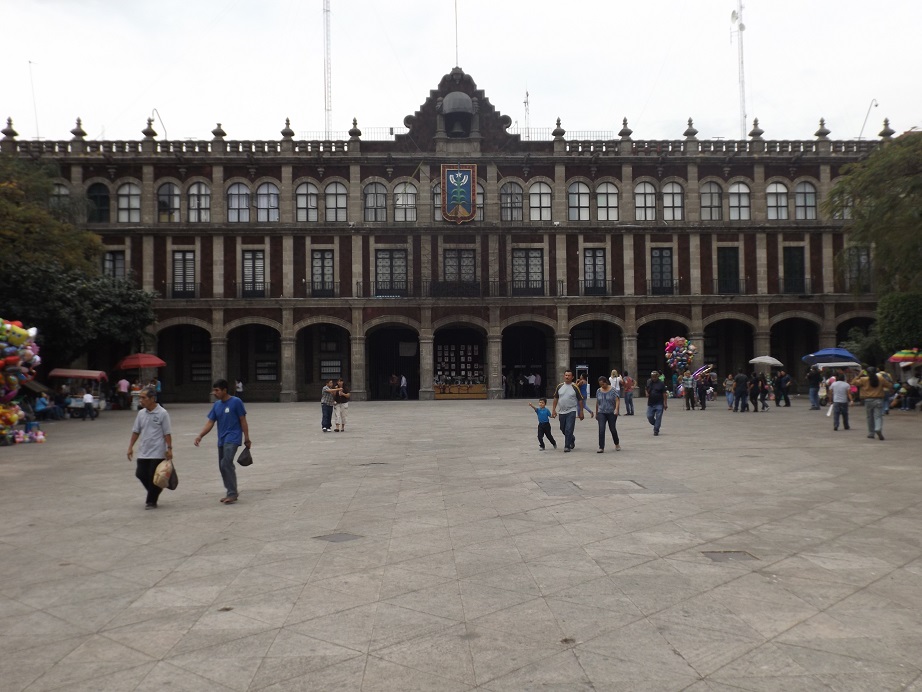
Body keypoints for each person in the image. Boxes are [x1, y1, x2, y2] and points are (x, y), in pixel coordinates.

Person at [194, 379, 251, 504]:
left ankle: (232, 493)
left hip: (233, 438)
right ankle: (230, 491)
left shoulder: (236, 402)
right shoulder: (217, 405)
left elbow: (243, 420)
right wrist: (200, 435)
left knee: (226, 462)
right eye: (214, 390)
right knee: (222, 466)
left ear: (225, 390)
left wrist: (246, 438)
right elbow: (210, 422)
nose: (215, 393)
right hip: (222, 440)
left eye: (217, 390)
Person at [126, 387, 173, 509]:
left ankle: (151, 501)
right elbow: (136, 431)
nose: (141, 400)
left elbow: (167, 433)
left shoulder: (162, 413)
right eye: (140, 398)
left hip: (157, 451)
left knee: (153, 476)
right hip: (144, 450)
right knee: (140, 474)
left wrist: (169, 449)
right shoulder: (141, 413)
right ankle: (155, 491)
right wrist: (130, 447)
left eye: (143, 398)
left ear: (152, 399)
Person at [851, 367, 891, 440]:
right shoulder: (880, 379)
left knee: (869, 417)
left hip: (868, 400)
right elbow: (889, 385)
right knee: (878, 416)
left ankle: (871, 433)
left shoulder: (864, 379)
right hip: (878, 399)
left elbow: (853, 383)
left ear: (867, 373)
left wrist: (859, 375)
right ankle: (878, 428)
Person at [552, 370, 583, 452]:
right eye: (566, 375)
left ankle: (567, 446)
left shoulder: (575, 387)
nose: (567, 377)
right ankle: (572, 438)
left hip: (571, 410)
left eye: (569, 375)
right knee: (563, 428)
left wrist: (581, 412)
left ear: (572, 377)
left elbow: (580, 400)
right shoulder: (559, 386)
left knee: (569, 428)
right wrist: (553, 410)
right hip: (561, 411)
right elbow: (555, 398)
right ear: (564, 376)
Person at [594, 376, 621, 453]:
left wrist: (616, 409)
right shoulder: (598, 391)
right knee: (601, 429)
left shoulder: (613, 390)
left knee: (612, 429)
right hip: (601, 412)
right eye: (600, 384)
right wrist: (597, 413)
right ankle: (601, 447)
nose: (602, 386)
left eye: (603, 384)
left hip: (611, 412)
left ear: (606, 382)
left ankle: (617, 443)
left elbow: (617, 400)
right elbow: (597, 402)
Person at [646, 370, 668, 436]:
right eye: (652, 377)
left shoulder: (661, 383)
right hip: (651, 403)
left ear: (657, 377)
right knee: (649, 416)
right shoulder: (649, 382)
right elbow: (646, 388)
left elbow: (664, 393)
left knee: (658, 416)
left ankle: (656, 430)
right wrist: (647, 393)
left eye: (655, 377)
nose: (653, 378)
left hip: (659, 403)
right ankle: (656, 424)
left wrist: (665, 403)